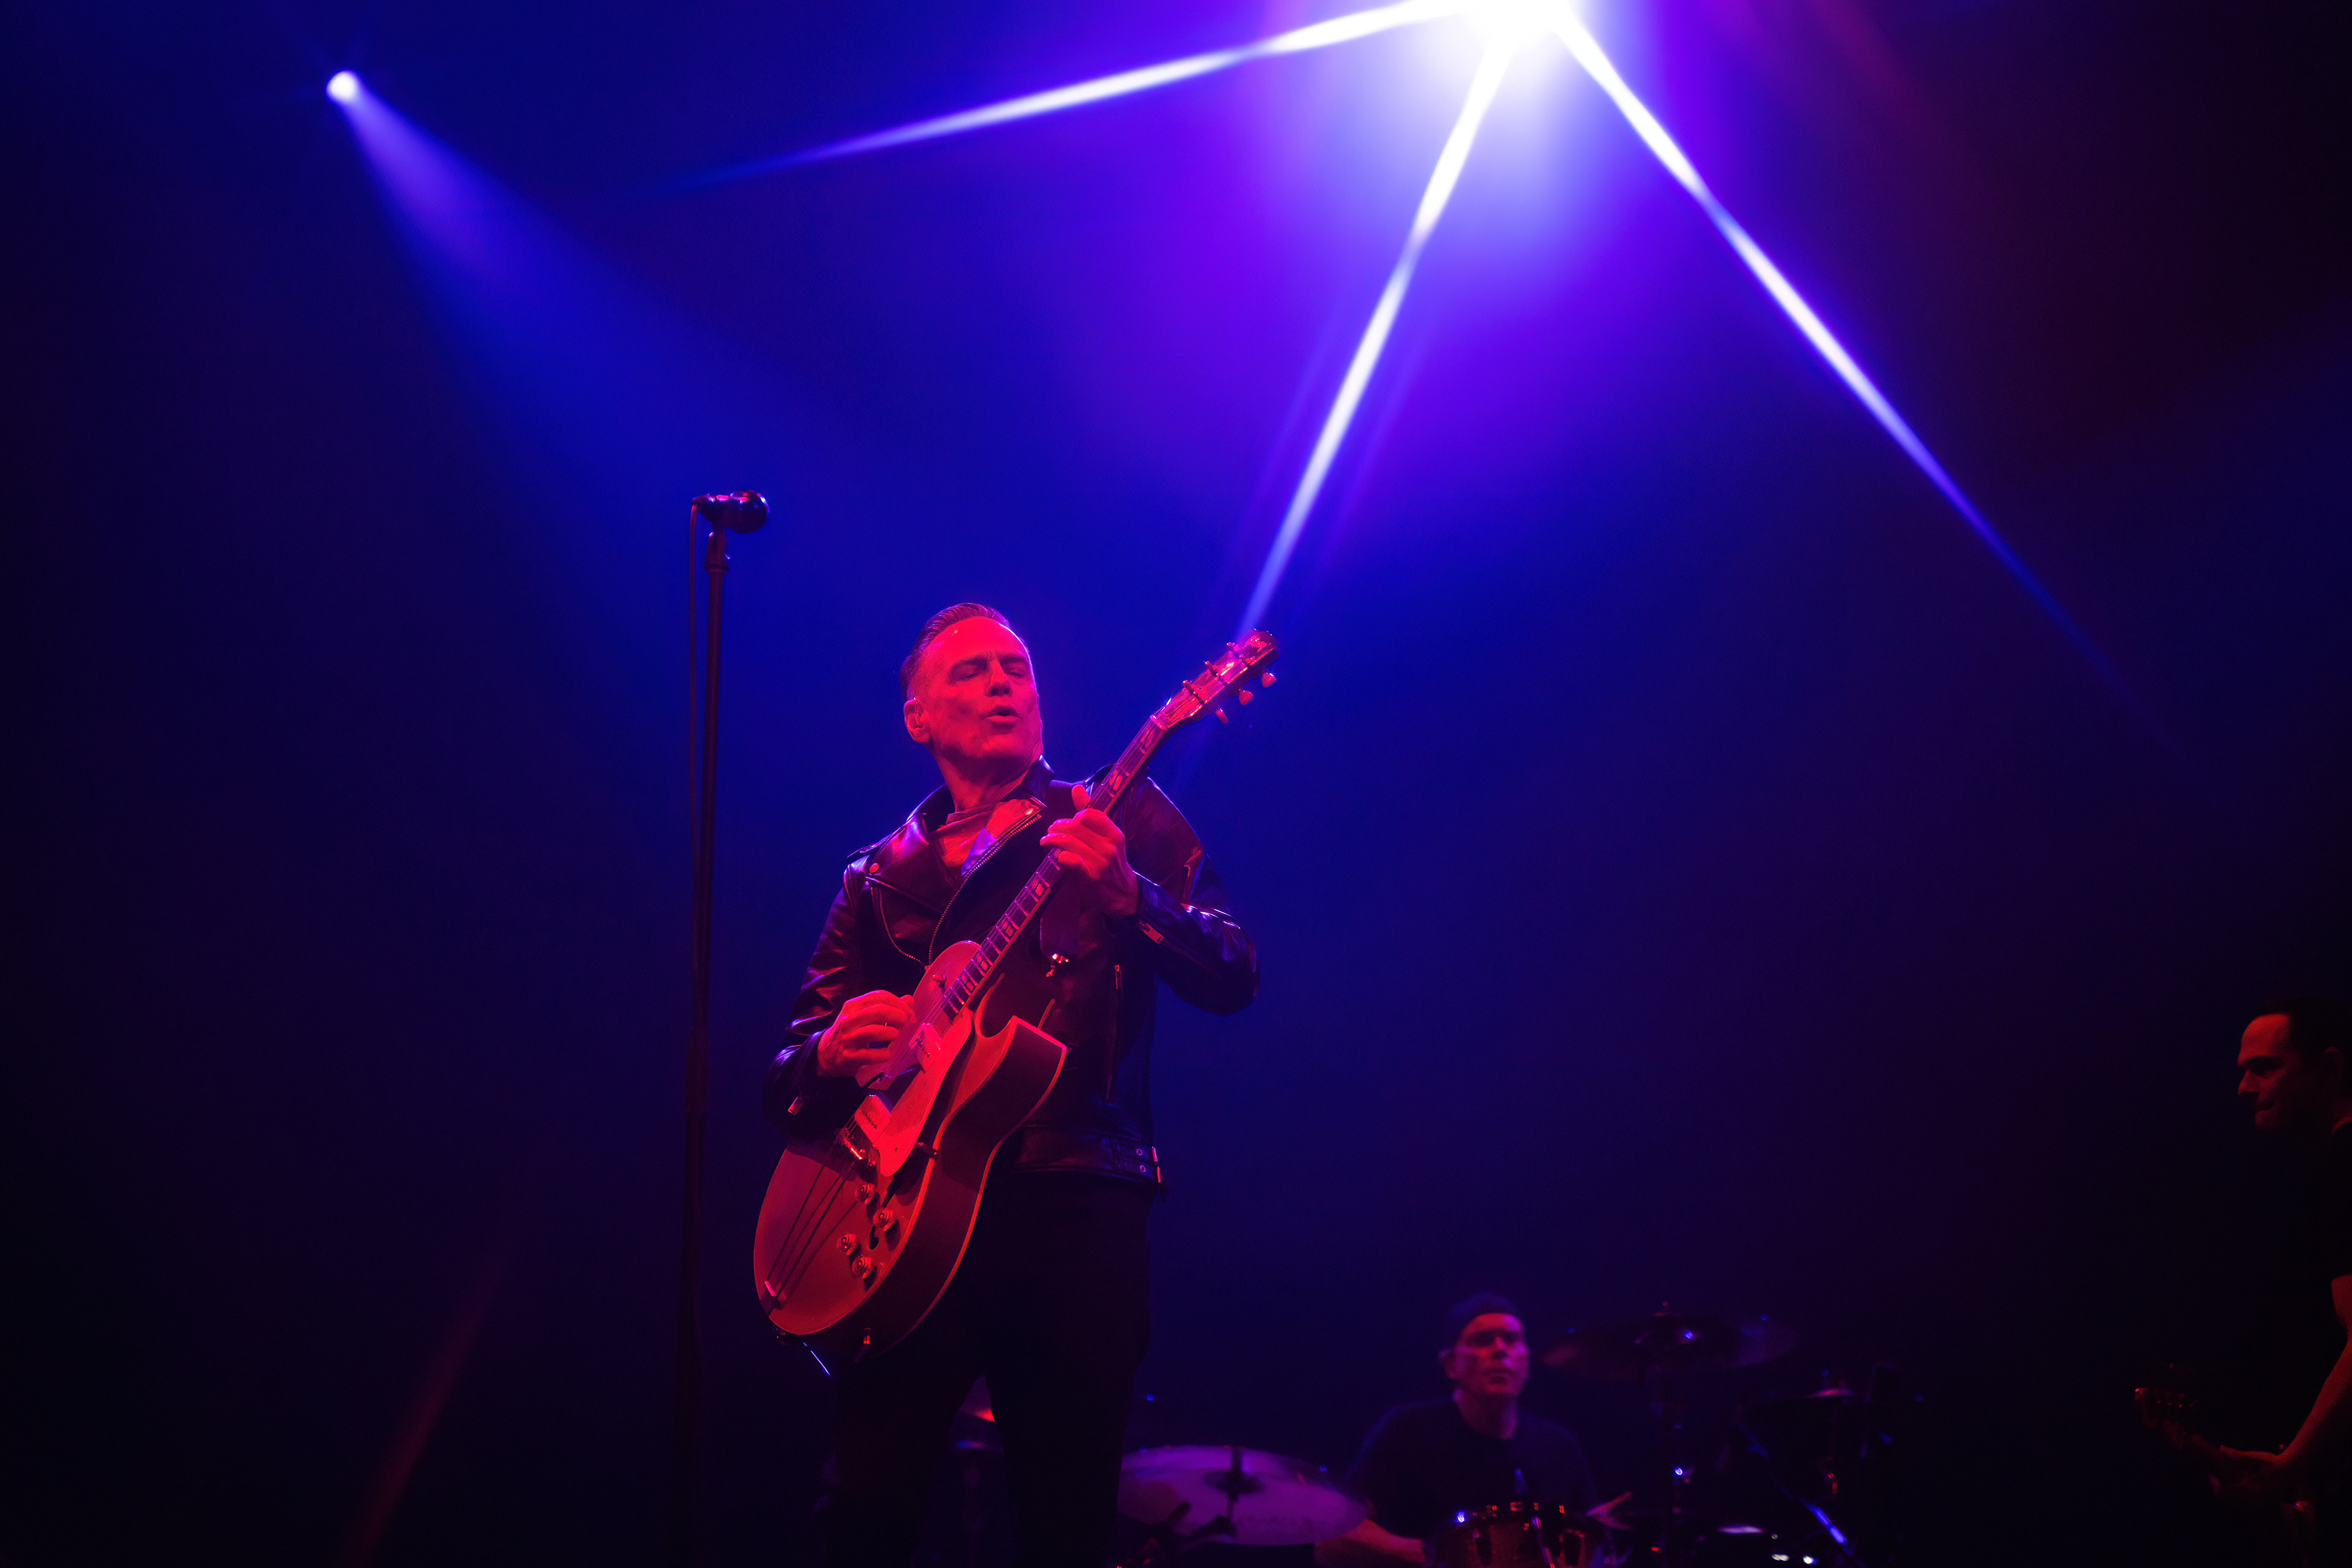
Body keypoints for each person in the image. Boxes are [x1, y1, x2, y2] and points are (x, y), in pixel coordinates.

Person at [764, 603, 1258, 1568]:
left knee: (1065, 1516)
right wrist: (827, 1057)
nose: (1003, 684)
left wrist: (1133, 899)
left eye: (1016, 668)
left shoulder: (1116, 812)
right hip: (902, 1215)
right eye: (972, 671)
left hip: (1072, 1199)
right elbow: (784, 1080)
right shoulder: (874, 879)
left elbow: (1236, 970)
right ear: (917, 716)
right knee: (862, 1507)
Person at [1319, 1295, 1599, 1565]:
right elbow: (1333, 1538)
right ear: (1450, 1364)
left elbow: (1595, 1546)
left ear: (1526, 1363)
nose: (1500, 1349)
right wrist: (1437, 1555)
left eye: (1512, 1339)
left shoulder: (1559, 1447)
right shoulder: (1407, 1431)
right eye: (1483, 1340)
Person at [2221, 995, 2352, 1537]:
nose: (2244, 1089)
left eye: (2265, 1068)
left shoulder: (2345, 1166)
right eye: (2243, 1070)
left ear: (2329, 1068)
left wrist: (2294, 1462)